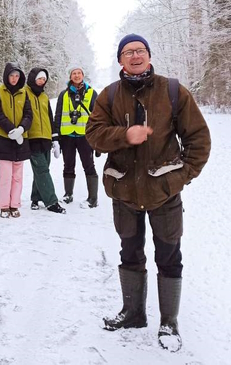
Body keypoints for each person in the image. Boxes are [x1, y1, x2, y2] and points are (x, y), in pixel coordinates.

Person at [85, 34, 211, 352]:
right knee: (130, 253)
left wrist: (182, 177)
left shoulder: (172, 91)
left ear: (150, 56)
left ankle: (169, 322)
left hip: (164, 192)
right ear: (120, 60)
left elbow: (199, 138)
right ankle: (133, 313)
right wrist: (125, 135)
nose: (136, 56)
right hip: (124, 189)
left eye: (141, 50)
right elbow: (94, 135)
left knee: (169, 257)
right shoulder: (109, 96)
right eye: (129, 52)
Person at [0, 63, 33, 218]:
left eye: (17, 76)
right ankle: (4, 206)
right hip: (4, 138)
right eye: (11, 75)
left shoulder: (24, 92)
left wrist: (21, 129)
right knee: (6, 175)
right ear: (6, 76)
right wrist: (10, 129)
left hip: (21, 139)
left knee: (18, 175)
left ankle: (15, 204)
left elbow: (29, 114)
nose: (14, 79)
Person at [53, 66, 99, 207]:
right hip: (67, 136)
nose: (77, 75)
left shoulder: (92, 93)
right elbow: (58, 115)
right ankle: (68, 195)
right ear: (70, 76)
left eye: (79, 73)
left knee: (89, 166)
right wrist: (55, 137)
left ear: (83, 75)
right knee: (68, 165)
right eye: (74, 73)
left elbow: (98, 117)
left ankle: (93, 198)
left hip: (85, 136)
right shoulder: (63, 94)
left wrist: (97, 138)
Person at [25, 68, 66, 214]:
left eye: (44, 79)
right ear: (32, 78)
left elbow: (50, 117)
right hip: (32, 138)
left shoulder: (44, 96)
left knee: (42, 169)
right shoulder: (24, 93)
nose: (42, 81)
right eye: (39, 78)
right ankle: (51, 201)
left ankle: (35, 198)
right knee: (42, 170)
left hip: (46, 138)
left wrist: (54, 138)